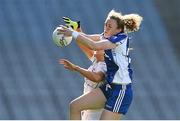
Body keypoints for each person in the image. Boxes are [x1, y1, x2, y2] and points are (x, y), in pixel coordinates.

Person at [58, 9, 143, 120]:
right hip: (109, 88)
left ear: (119, 30)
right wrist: (76, 28)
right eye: (105, 25)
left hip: (121, 91)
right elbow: (88, 39)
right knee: (74, 106)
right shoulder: (107, 37)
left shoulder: (119, 40)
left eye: (110, 26)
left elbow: (94, 45)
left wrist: (73, 34)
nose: (106, 28)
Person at [59, 17, 107, 120]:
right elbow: (85, 45)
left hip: (96, 112)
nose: (96, 48)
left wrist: (76, 68)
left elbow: (97, 77)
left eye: (99, 46)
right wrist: (77, 29)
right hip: (89, 108)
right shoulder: (97, 60)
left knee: (74, 106)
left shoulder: (105, 65)